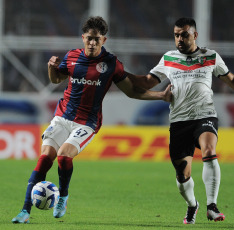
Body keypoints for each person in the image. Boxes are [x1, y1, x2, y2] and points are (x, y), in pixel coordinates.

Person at [11, 16, 172, 224]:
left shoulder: (111, 64)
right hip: (62, 117)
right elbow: (56, 79)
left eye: (97, 39)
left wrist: (160, 96)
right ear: (83, 38)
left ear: (103, 40)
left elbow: (132, 91)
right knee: (44, 159)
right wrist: (51, 67)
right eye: (89, 38)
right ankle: (24, 211)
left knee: (63, 157)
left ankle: (63, 197)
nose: (92, 43)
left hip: (86, 123)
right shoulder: (71, 56)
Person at [127, 17, 234, 224]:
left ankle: (212, 206)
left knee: (209, 151)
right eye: (176, 35)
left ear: (195, 35)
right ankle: (192, 205)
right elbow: (146, 81)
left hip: (205, 115)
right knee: (182, 175)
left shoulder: (210, 56)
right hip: (179, 121)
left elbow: (231, 80)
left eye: (184, 34)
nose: (179, 39)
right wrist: (120, 74)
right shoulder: (168, 58)